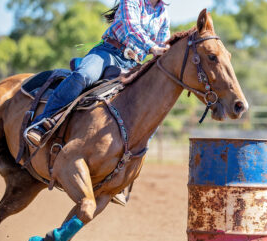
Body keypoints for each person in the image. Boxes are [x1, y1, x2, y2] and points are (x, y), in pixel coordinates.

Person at [26, 0, 170, 146]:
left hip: (133, 64)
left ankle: (137, 149)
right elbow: (131, 28)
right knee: (84, 76)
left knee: (150, 102)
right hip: (108, 52)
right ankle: (41, 124)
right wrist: (153, 48)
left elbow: (164, 43)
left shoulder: (163, 12)